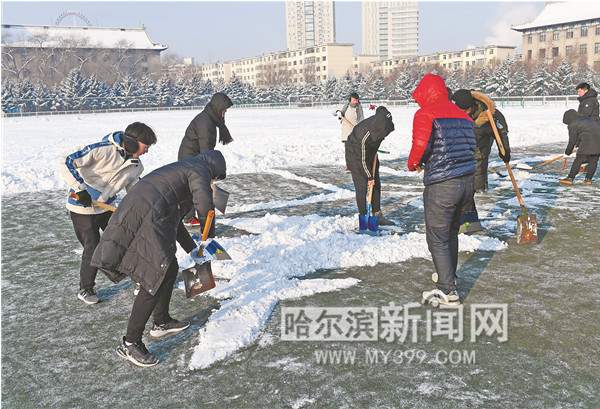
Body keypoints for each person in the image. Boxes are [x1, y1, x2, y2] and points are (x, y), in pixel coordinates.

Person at [91, 150, 227, 367]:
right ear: (213, 170)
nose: (213, 183)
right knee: (153, 277)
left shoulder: (184, 170)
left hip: (150, 215)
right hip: (145, 220)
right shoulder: (199, 170)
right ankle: (130, 342)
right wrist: (208, 239)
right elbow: (205, 207)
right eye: (215, 179)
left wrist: (193, 249)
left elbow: (175, 219)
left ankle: (161, 322)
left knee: (170, 267)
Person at [58, 122, 156, 305]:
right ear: (133, 142)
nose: (146, 151)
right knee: (92, 246)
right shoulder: (103, 149)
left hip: (105, 207)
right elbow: (66, 160)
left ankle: (138, 280)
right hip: (82, 207)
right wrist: (79, 189)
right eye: (146, 146)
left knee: (125, 239)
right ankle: (86, 288)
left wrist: (149, 205)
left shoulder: (136, 166)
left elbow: (136, 191)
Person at [407, 74, 476, 306]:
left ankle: (447, 290)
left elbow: (420, 145)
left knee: (437, 236)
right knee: (450, 232)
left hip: (443, 185)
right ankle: (448, 276)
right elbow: (470, 147)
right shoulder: (464, 115)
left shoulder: (426, 114)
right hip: (466, 182)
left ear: (427, 93)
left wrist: (413, 163)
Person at [451, 89, 511, 233]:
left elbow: (502, 134)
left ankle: (478, 192)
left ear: (473, 106)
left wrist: (505, 151)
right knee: (461, 183)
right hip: (461, 148)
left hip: (481, 145)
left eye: (466, 110)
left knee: (478, 171)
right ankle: (466, 216)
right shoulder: (454, 111)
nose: (464, 113)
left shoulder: (490, 114)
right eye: (461, 110)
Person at [178, 92, 233, 228]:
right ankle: (189, 217)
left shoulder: (209, 118)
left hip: (193, 155)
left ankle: (188, 216)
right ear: (218, 107)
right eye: (224, 109)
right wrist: (208, 173)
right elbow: (206, 149)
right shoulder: (206, 123)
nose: (225, 112)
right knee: (195, 187)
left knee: (192, 187)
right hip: (190, 156)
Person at [344, 106, 395, 234]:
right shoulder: (364, 134)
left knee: (376, 185)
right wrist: (369, 177)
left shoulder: (384, 125)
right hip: (355, 156)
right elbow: (361, 160)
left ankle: (377, 215)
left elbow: (376, 142)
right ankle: (363, 217)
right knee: (362, 187)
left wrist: (373, 175)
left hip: (370, 153)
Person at [559, 109, 600, 186]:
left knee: (578, 160)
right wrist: (578, 144)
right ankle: (588, 179)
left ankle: (570, 178)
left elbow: (572, 141)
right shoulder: (587, 119)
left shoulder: (573, 124)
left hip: (587, 142)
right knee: (593, 161)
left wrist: (567, 153)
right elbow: (584, 133)